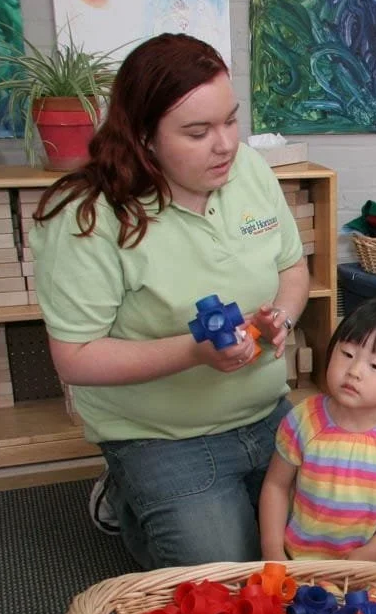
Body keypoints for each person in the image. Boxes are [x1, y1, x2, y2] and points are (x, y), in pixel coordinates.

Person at [30, 34, 310, 569]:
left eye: (230, 120)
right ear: (143, 137)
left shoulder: (249, 170)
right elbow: (76, 358)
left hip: (264, 410)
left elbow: (291, 270)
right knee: (227, 575)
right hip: (161, 434)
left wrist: (283, 317)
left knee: (329, 536)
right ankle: (126, 496)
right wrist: (195, 352)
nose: (225, 144)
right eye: (198, 132)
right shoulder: (87, 217)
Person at [259, 297, 376, 562]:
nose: (354, 371)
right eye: (347, 354)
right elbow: (276, 485)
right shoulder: (304, 419)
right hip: (304, 562)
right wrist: (272, 550)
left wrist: (373, 552)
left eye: (375, 366)